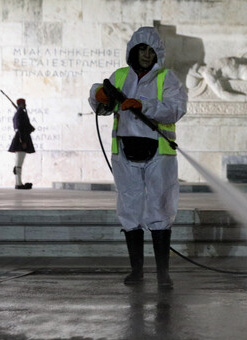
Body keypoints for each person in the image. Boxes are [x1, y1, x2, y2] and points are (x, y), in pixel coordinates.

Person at [88, 26, 187, 289]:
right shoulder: (120, 76)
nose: (146, 54)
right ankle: (137, 271)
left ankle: (163, 274)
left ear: (158, 53)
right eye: (142, 49)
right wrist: (97, 95)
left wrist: (144, 105)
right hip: (125, 152)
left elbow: (176, 109)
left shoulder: (167, 78)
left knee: (160, 207)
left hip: (158, 154)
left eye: (151, 50)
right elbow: (104, 105)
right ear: (133, 50)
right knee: (130, 209)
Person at [8, 98, 35, 190]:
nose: (25, 104)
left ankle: (19, 182)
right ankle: (18, 183)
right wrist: (22, 141)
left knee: (19, 163)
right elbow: (18, 128)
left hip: (23, 137)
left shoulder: (20, 112)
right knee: (18, 163)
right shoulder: (20, 113)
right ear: (21, 104)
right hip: (21, 138)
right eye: (23, 103)